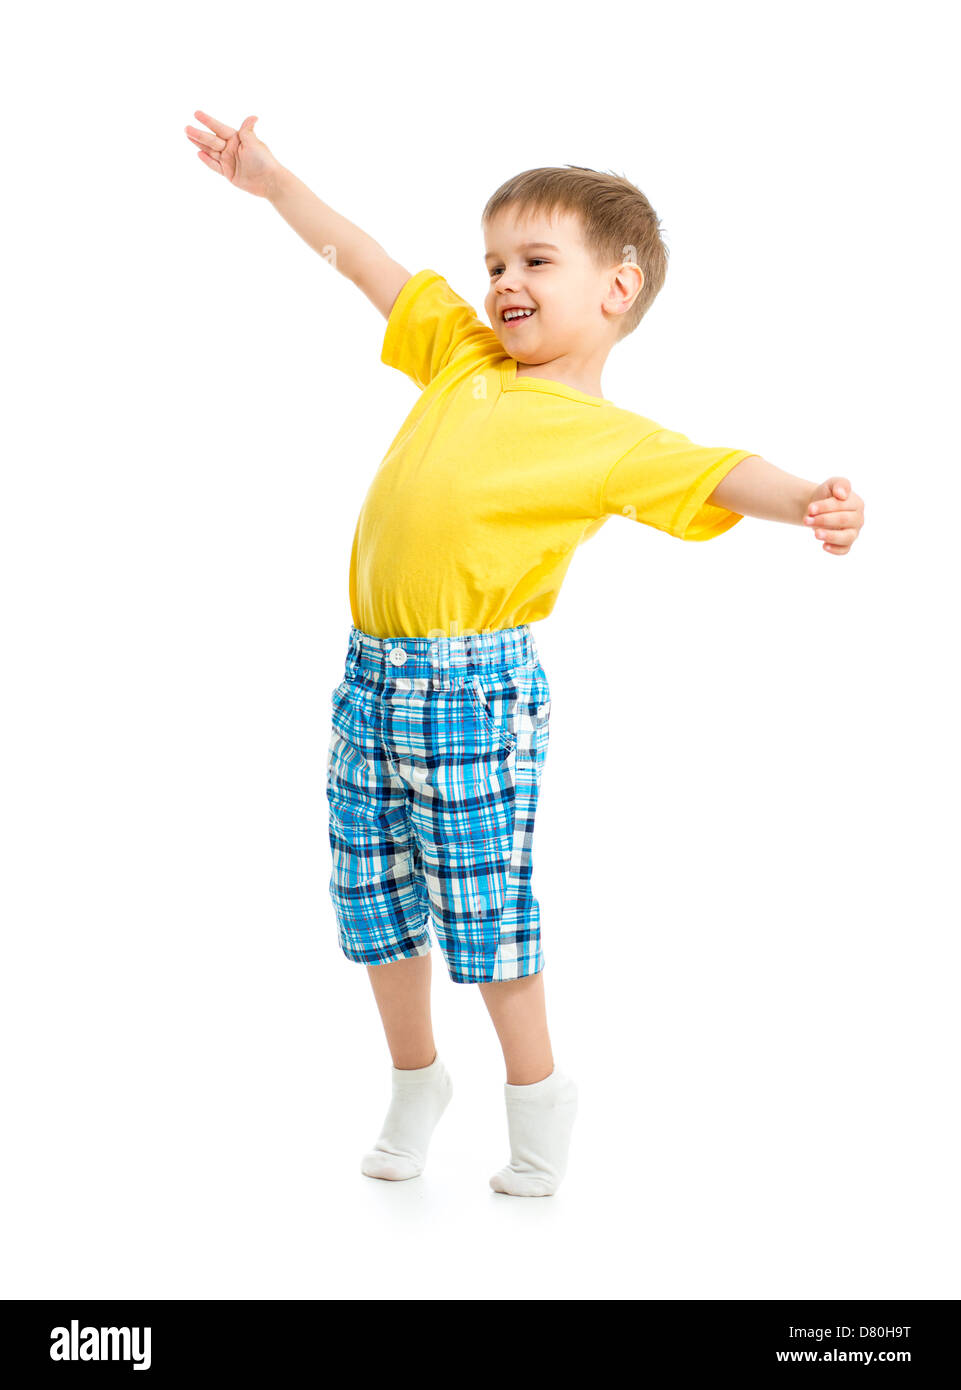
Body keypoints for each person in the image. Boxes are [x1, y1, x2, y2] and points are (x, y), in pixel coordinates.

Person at [184, 111, 866, 1198]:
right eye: (494, 260)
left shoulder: (609, 442)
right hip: (368, 680)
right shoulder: (461, 354)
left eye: (534, 261)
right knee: (371, 899)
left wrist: (809, 502)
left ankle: (536, 1097)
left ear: (617, 288)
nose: (502, 281)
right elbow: (367, 259)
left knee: (486, 913)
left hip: (472, 694)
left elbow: (722, 469)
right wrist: (273, 182)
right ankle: (415, 1078)